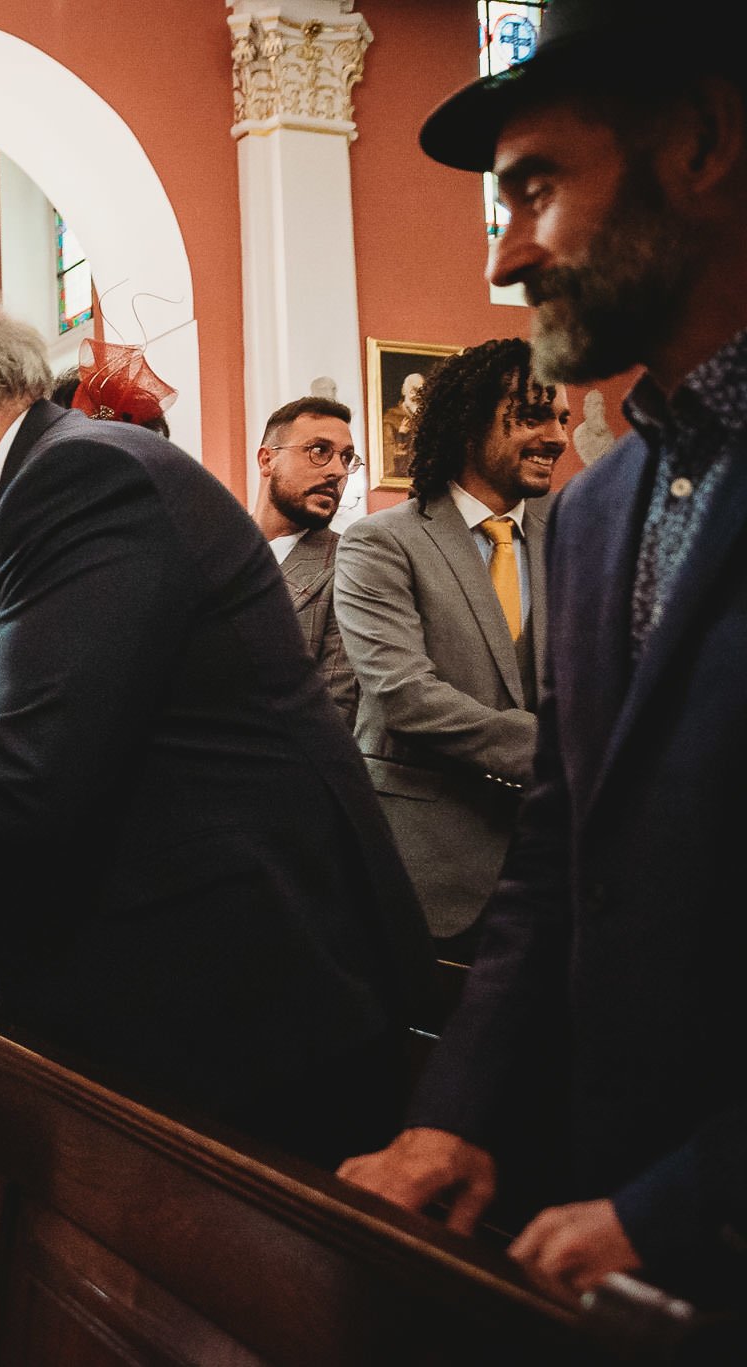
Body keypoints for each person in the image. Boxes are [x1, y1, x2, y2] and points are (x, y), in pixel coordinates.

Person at [0, 286, 430, 1168]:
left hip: (234, 982)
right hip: (167, 975)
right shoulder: (31, 498)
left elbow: (28, 772)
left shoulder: (82, 479)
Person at [341, 1, 747, 1328]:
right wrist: (456, 1115)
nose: (506, 256)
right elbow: (563, 855)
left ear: (701, 143)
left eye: (535, 189)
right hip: (606, 1199)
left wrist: (682, 1200)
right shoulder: (596, 507)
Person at [335, 339, 566, 954]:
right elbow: (403, 694)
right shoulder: (381, 543)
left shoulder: (567, 538)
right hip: (428, 864)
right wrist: (561, 757)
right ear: (470, 423)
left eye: (561, 419)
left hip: (557, 866)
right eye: (533, 415)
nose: (558, 437)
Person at [250, 395, 361, 732]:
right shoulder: (208, 548)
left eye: (346, 458)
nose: (337, 471)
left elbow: (332, 712)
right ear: (267, 460)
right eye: (319, 451)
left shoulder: (350, 567)